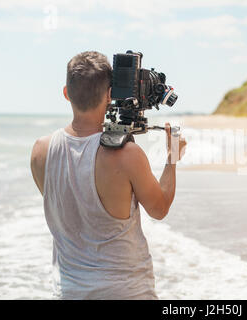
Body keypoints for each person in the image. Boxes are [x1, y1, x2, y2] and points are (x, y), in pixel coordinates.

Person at [30, 51, 186, 299]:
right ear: (111, 95)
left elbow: (72, 205)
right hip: (127, 292)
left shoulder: (41, 150)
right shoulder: (127, 155)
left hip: (69, 292)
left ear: (66, 93)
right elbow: (160, 208)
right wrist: (172, 159)